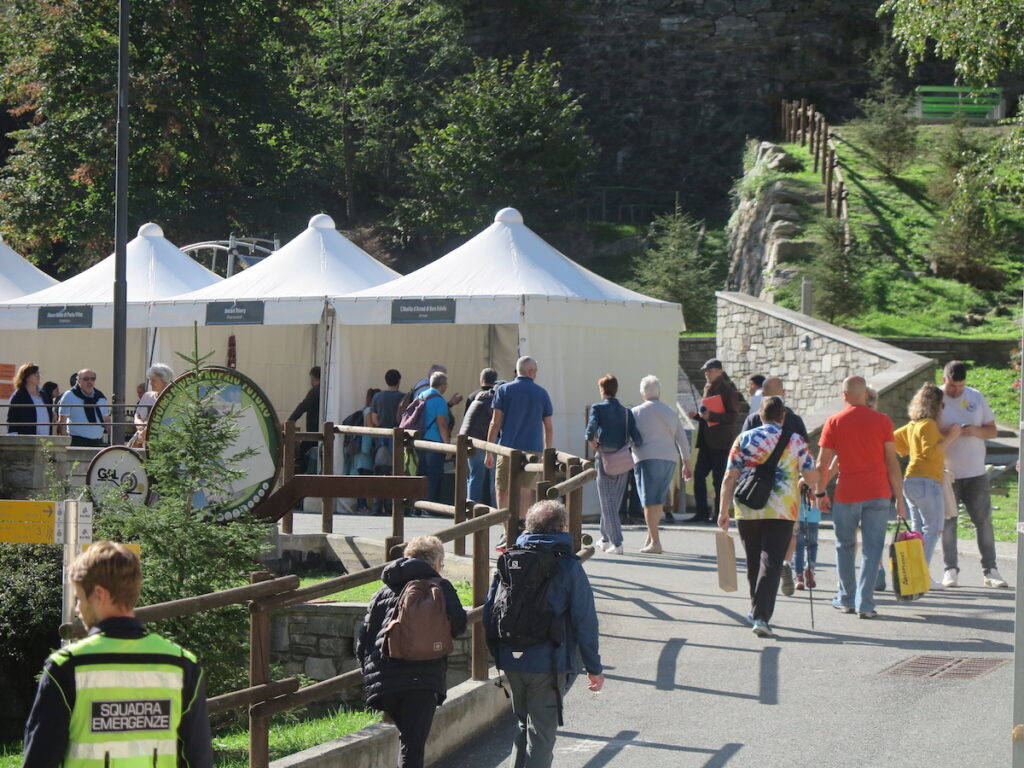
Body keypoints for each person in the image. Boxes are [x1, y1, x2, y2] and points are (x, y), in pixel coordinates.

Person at [22, 541, 212, 768]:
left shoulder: (66, 666)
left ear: (99, 594)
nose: (77, 609)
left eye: (79, 598)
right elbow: (198, 758)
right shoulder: (182, 665)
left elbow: (41, 759)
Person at [484, 500, 604, 768]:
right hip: (548, 662)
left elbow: (489, 611)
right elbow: (585, 621)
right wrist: (593, 667)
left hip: (511, 658)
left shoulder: (508, 559)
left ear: (528, 526)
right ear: (562, 527)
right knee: (541, 734)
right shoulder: (567, 565)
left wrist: (499, 653)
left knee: (522, 725)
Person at [357, 535, 467, 768]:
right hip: (422, 679)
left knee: (408, 739)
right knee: (412, 746)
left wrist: (369, 676)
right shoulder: (440, 586)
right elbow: (459, 625)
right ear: (436, 562)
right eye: (442, 563)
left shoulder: (381, 592)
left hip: (384, 680)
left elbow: (363, 639)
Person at [719, 396, 819, 637]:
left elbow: (729, 477)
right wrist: (807, 484)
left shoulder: (743, 438)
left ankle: (756, 611)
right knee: (771, 562)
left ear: (760, 416)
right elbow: (812, 475)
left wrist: (723, 510)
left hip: (747, 509)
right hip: (782, 510)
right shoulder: (795, 441)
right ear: (783, 416)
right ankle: (761, 616)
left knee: (754, 562)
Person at [815, 375, 907, 619]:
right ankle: (866, 604)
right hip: (878, 493)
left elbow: (822, 462)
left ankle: (846, 599)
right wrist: (899, 498)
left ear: (844, 395)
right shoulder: (883, 421)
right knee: (872, 549)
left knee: (844, 546)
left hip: (847, 494)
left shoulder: (834, 421)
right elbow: (892, 462)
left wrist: (820, 491)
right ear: (865, 394)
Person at [937, 361, 1007, 588]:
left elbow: (992, 430)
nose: (956, 391)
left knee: (983, 521)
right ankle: (950, 569)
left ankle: (991, 570)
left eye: (960, 386)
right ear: (944, 378)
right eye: (952, 386)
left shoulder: (975, 396)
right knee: (948, 522)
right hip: (946, 472)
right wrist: (949, 432)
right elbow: (921, 430)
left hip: (975, 471)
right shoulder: (934, 397)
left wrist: (974, 430)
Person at [739, 376, 809, 594]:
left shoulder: (752, 420)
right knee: (789, 532)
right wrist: (808, 484)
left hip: (755, 491)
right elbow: (806, 456)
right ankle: (785, 564)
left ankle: (760, 587)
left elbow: (739, 457)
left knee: (758, 541)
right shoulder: (794, 420)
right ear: (784, 395)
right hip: (786, 492)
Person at [894, 382, 961, 589]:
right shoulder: (929, 425)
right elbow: (930, 453)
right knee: (933, 529)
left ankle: (915, 575)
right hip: (927, 481)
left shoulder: (914, 425)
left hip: (911, 481)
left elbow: (895, 441)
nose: (943, 409)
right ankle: (920, 575)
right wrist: (951, 437)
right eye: (942, 405)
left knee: (918, 530)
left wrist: (912, 448)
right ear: (935, 405)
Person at [485, 357, 554, 543]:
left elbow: (495, 423)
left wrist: (489, 450)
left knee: (502, 489)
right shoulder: (542, 393)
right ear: (531, 372)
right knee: (525, 491)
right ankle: (521, 531)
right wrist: (548, 451)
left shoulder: (504, 390)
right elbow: (548, 426)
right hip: (533, 450)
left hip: (508, 448)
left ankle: (508, 531)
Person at [631, 375, 692, 554]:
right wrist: (686, 463)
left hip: (646, 458)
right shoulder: (670, 412)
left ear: (643, 393)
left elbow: (629, 439)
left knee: (648, 501)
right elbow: (682, 439)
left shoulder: (636, 412)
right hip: (669, 459)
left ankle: (655, 542)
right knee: (657, 500)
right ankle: (651, 537)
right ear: (659, 392)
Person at [585, 374, 643, 555]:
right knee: (614, 500)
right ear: (616, 389)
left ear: (602, 390)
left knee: (606, 501)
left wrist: (591, 440)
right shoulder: (626, 412)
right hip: (623, 459)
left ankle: (617, 542)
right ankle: (604, 538)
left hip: (605, 457)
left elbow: (591, 428)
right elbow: (637, 438)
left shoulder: (598, 408)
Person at [688, 359, 740, 523]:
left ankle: (718, 512)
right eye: (705, 371)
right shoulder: (707, 388)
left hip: (721, 443)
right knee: (699, 476)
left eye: (709, 371)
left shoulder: (727, 390)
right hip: (706, 442)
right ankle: (701, 512)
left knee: (719, 480)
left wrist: (711, 416)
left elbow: (733, 416)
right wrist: (697, 416)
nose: (706, 374)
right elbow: (707, 416)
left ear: (719, 371)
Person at [459, 368, 499, 507]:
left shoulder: (472, 396)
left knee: (474, 476)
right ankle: (495, 507)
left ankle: (472, 506)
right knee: (495, 478)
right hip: (489, 440)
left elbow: (467, 417)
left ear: (481, 379)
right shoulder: (496, 397)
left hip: (471, 439)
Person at [369, 369, 405, 514]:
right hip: (398, 439)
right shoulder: (403, 397)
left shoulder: (377, 397)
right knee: (395, 473)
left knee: (379, 473)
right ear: (399, 381)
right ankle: (392, 507)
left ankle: (377, 506)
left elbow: (374, 419)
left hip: (382, 438)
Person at [418, 371, 453, 506]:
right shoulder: (439, 400)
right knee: (433, 476)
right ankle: (429, 507)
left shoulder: (421, 396)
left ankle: (418, 506)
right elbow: (442, 425)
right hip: (434, 442)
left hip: (420, 440)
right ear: (442, 385)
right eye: (446, 384)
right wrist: (448, 447)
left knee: (422, 474)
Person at [56, 369, 110, 447]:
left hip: (97, 441)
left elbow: (107, 420)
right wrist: (65, 443)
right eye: (86, 379)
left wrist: (113, 440)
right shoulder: (69, 395)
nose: (89, 381)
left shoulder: (100, 397)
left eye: (92, 379)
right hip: (76, 440)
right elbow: (62, 421)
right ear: (78, 381)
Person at [352, 388, 381, 514]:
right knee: (365, 477)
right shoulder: (369, 411)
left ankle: (362, 504)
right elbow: (371, 429)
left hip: (361, 449)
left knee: (362, 477)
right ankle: (362, 505)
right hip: (366, 449)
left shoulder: (364, 410)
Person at [288, 366, 321, 474]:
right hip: (320, 431)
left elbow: (303, 406)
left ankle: (300, 478)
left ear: (312, 378)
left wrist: (290, 421)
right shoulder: (327, 391)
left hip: (314, 432)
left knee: (302, 453)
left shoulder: (315, 391)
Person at [133, 363, 174, 446]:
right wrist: (141, 427)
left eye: (153, 380)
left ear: (164, 380)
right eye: (150, 380)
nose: (150, 383)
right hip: (141, 438)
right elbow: (137, 415)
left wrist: (147, 431)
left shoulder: (172, 399)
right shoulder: (147, 395)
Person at [7, 362, 50, 436]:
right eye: (34, 373)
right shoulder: (18, 396)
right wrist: (13, 437)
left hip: (45, 439)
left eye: (38, 373)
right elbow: (12, 419)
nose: (38, 376)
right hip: (27, 439)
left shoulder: (43, 394)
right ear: (26, 377)